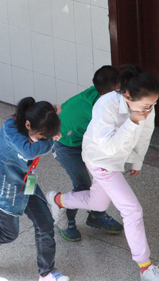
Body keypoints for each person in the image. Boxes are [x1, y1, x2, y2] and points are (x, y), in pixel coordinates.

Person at [46, 65, 159, 281]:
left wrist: (137, 160)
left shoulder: (145, 107)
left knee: (97, 203)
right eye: (145, 106)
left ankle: (57, 200)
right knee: (132, 210)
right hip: (100, 160)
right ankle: (145, 268)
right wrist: (132, 121)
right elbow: (109, 147)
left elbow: (146, 133)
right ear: (127, 95)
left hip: (115, 160)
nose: (148, 110)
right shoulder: (105, 104)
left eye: (153, 104)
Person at [0, 98, 69, 281]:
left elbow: (37, 143)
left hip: (26, 182)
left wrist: (52, 122)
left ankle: (47, 273)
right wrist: (50, 139)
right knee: (8, 233)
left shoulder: (36, 124)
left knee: (45, 223)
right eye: (42, 136)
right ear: (28, 124)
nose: (43, 140)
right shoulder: (10, 128)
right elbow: (29, 151)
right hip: (2, 186)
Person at [53, 65, 123, 241]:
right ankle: (65, 218)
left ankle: (96, 215)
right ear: (109, 92)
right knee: (83, 185)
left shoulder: (102, 94)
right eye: (119, 90)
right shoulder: (95, 109)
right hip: (66, 146)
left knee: (103, 180)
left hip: (85, 141)